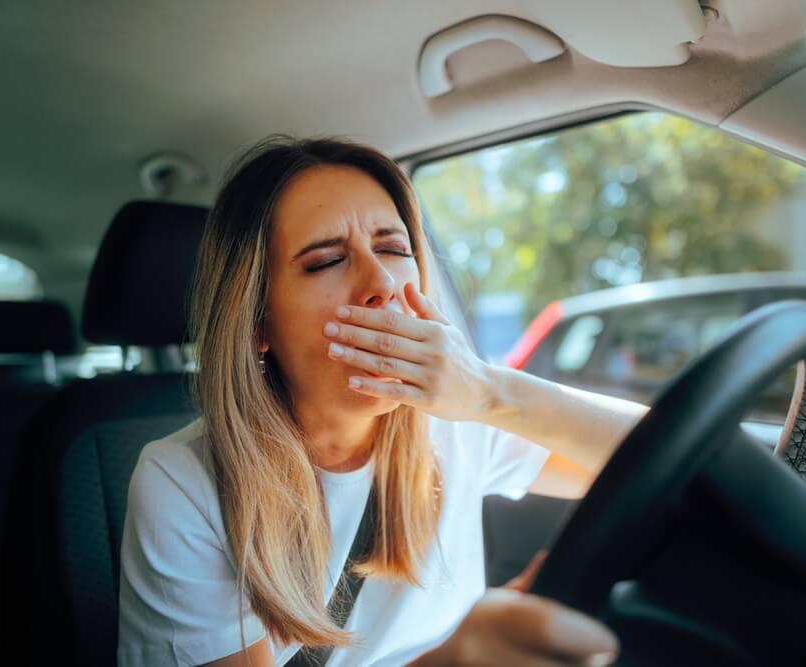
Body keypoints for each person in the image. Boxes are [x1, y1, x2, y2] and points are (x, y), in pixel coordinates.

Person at [117, 136, 647, 666]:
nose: (382, 282)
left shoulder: (458, 422)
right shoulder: (182, 483)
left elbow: (661, 456)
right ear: (258, 322)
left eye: (394, 249)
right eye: (326, 261)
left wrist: (488, 391)